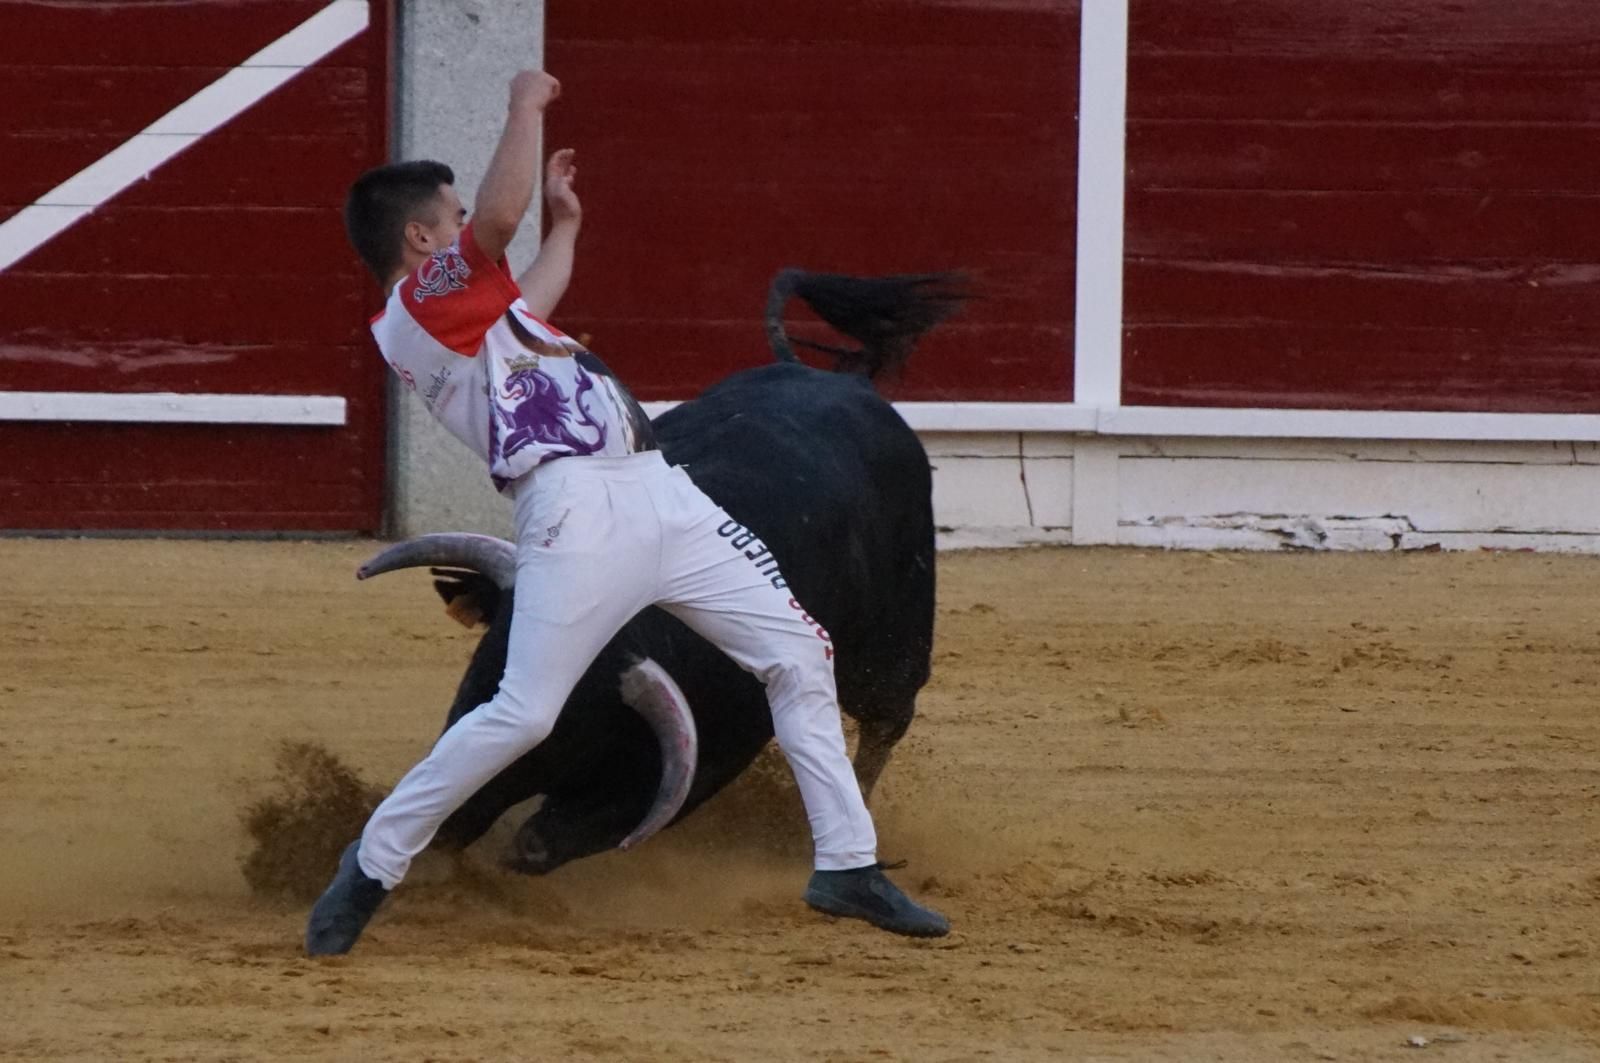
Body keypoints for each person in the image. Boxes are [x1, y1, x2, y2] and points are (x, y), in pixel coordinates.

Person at [306, 70, 949, 954]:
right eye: (448, 220)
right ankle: (372, 863)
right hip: (575, 510)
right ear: (421, 239)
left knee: (800, 652)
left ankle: (846, 865)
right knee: (526, 713)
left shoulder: (472, 315)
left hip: (660, 486)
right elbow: (495, 223)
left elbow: (530, 295)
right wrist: (524, 108)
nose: (467, 228)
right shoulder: (415, 310)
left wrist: (566, 226)